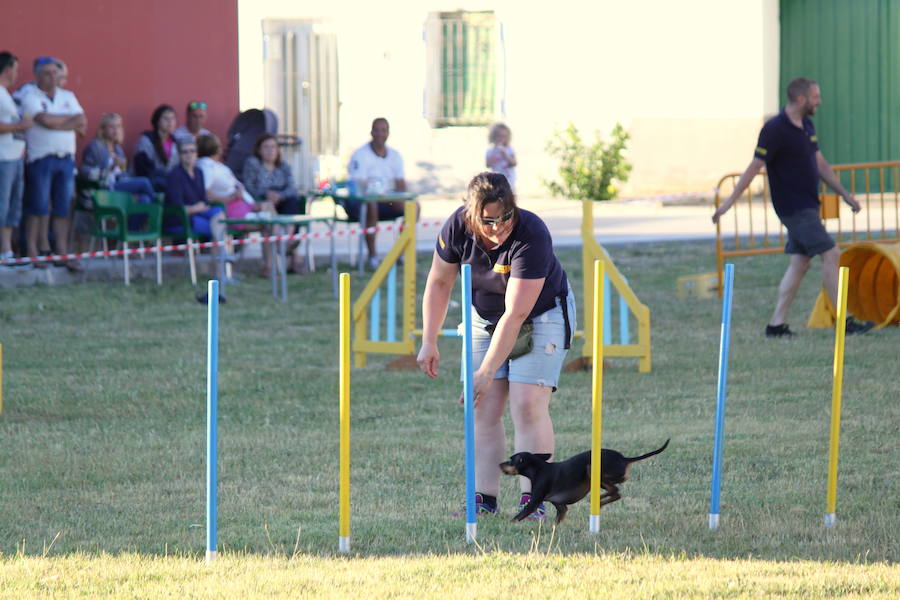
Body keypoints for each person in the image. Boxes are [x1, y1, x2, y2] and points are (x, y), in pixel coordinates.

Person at [416, 171, 576, 520]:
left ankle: (533, 502)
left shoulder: (530, 232)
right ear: (472, 214)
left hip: (540, 315)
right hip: (483, 316)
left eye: (505, 217)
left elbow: (516, 314)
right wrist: (429, 340)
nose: (498, 226)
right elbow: (440, 282)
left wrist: (487, 370)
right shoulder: (456, 229)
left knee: (527, 403)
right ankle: (483, 499)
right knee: (482, 405)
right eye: (489, 220)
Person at [712, 77, 874, 337]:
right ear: (801, 99)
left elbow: (819, 164)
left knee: (800, 263)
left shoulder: (806, 125)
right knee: (831, 254)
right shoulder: (774, 129)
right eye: (815, 97)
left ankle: (776, 325)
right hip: (793, 207)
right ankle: (844, 321)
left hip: (808, 204)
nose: (819, 101)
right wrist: (728, 204)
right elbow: (754, 167)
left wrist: (845, 194)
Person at [20, 56, 86, 271]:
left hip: (65, 158)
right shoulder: (29, 95)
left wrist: (57, 122)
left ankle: (62, 252)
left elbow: (82, 121)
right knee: (37, 207)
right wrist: (67, 122)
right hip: (41, 157)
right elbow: (43, 121)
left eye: (56, 73)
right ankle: (32, 252)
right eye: (48, 73)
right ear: (38, 75)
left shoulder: (68, 96)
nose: (53, 76)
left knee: (62, 208)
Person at [196, 133, 275, 275]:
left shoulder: (217, 165)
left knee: (269, 208)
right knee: (268, 224)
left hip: (244, 205)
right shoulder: (205, 166)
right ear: (216, 149)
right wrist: (230, 198)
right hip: (232, 211)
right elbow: (206, 193)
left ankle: (273, 262)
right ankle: (275, 261)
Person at [347, 117, 409, 269]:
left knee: (413, 207)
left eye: (384, 130)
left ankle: (399, 253)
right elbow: (359, 185)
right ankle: (373, 256)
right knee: (371, 205)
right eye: (377, 130)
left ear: (388, 133)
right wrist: (375, 191)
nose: (380, 134)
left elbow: (401, 185)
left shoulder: (395, 156)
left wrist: (395, 197)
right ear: (371, 132)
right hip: (364, 201)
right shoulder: (360, 155)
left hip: (387, 199)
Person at [242, 133, 304, 272]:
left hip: (282, 202)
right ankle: (290, 251)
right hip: (261, 202)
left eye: (273, 147)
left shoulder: (283, 166)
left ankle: (288, 239)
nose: (270, 150)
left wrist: (280, 195)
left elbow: (292, 187)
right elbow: (249, 187)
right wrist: (266, 194)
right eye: (266, 147)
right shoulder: (253, 163)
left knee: (294, 202)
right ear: (259, 149)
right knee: (269, 209)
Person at [81, 113, 155, 203]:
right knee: (144, 182)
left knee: (144, 200)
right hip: (103, 189)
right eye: (111, 127)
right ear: (103, 129)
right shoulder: (95, 146)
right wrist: (110, 168)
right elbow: (85, 171)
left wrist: (127, 179)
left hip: (118, 187)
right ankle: (160, 208)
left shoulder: (118, 149)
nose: (115, 130)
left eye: (118, 126)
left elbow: (122, 174)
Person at [0, 52, 30, 264]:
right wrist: (21, 126)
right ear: (8, 69)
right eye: (16, 69)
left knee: (12, 205)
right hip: (3, 159)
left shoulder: (6, 94)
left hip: (15, 157)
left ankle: (7, 250)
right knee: (2, 204)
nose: (17, 74)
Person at [132, 104, 179, 191]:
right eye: (166, 118)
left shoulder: (175, 143)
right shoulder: (146, 139)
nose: (170, 122)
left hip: (168, 182)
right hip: (147, 183)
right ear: (157, 121)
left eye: (173, 118)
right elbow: (142, 170)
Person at [485, 123, 517, 190]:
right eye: (499, 136)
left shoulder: (509, 149)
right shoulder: (490, 150)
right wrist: (494, 154)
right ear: (493, 136)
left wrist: (505, 154)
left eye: (504, 136)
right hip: (496, 179)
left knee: (509, 196)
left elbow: (514, 163)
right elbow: (487, 164)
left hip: (509, 179)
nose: (501, 138)